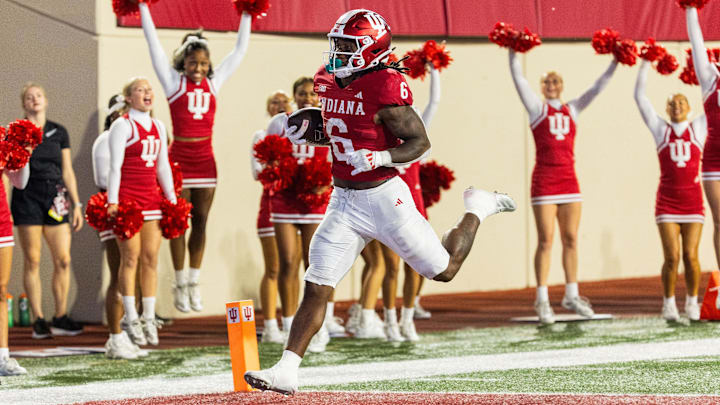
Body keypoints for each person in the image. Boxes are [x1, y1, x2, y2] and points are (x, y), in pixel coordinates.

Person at [245, 9, 515, 394]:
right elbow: (343, 126)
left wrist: (382, 157)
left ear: (371, 48)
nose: (337, 51)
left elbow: (420, 142)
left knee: (443, 269)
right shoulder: (326, 79)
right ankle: (287, 369)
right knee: (317, 282)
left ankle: (479, 206)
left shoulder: (387, 84)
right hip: (343, 200)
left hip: (385, 198)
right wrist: (312, 130)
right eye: (336, 43)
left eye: (347, 45)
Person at [139, 1, 251, 313]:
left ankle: (193, 280)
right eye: (193, 62)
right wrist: (143, 7)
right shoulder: (173, 82)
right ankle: (178, 283)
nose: (198, 68)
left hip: (205, 159)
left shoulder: (215, 82)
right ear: (183, 62)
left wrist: (247, 12)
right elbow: (153, 44)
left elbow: (240, 51)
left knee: (201, 222)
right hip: (179, 161)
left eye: (203, 63)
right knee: (178, 224)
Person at [507, 48, 617, 324]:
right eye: (547, 82)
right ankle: (542, 299)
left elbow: (597, 87)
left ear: (562, 86)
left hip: (569, 179)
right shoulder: (536, 108)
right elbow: (519, 80)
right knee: (545, 241)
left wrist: (616, 61)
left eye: (556, 82)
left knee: (571, 239)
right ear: (542, 87)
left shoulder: (574, 109)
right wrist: (512, 52)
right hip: (544, 179)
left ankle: (571, 294)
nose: (552, 86)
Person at [265, 77, 335, 352]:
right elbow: (267, 158)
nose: (307, 98)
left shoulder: (330, 120)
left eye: (312, 94)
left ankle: (321, 324)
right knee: (287, 263)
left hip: (314, 202)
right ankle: (288, 324)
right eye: (302, 94)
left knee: (317, 265)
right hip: (284, 199)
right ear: (294, 96)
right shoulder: (280, 122)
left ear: (320, 97)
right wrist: (276, 171)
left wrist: (324, 182)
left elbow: (337, 159)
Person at [107, 77, 177, 347]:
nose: (147, 93)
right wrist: (112, 201)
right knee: (131, 258)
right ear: (129, 97)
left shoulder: (158, 125)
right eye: (140, 90)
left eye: (149, 89)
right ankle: (131, 316)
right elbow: (115, 167)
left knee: (150, 259)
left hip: (151, 200)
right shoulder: (122, 125)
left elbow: (163, 167)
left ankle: (149, 316)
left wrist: (171, 199)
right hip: (128, 199)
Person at [634, 61, 705, 321]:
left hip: (693, 201)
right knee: (672, 256)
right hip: (667, 201)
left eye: (681, 103)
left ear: (689, 108)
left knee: (691, 255)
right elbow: (639, 97)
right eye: (672, 104)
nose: (676, 107)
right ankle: (668, 303)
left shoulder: (698, 128)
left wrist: (712, 71)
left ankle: (692, 302)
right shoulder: (660, 129)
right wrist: (645, 63)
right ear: (666, 109)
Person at [14, 83, 84, 339]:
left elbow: (67, 170)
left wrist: (76, 204)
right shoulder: (16, 132)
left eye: (39, 95)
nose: (35, 100)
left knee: (63, 260)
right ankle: (38, 319)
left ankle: (60, 316)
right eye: (29, 97)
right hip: (27, 197)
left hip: (55, 196)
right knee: (32, 260)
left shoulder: (58, 131)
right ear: (24, 104)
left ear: (46, 100)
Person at [381, 62, 441, 342]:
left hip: (415, 203)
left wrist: (435, 68)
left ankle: (407, 318)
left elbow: (435, 101)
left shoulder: (415, 123)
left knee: (415, 264)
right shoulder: (382, 123)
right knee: (391, 266)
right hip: (390, 202)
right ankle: (390, 320)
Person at [92, 94, 149, 359]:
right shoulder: (106, 139)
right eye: (123, 110)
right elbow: (104, 178)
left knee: (133, 272)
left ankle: (125, 333)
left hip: (133, 207)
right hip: (115, 209)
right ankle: (115, 336)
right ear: (114, 113)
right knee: (118, 272)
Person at [251, 90, 302, 343]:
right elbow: (257, 172)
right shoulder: (262, 135)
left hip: (295, 207)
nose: (280, 106)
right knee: (273, 268)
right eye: (274, 102)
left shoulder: (298, 135)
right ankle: (270, 324)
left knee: (292, 268)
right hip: (271, 206)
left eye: (284, 102)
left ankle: (289, 321)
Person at [685, 6, 720, 286]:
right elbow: (696, 42)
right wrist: (690, 9)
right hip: (714, 160)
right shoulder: (710, 79)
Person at [0, 149, 32, 375]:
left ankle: (2, 357)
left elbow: (20, 182)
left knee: (1, 289)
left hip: (1, 221)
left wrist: (24, 156)